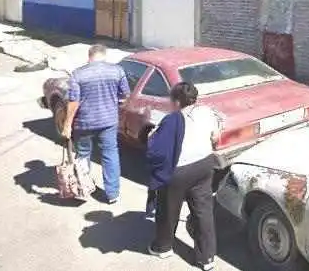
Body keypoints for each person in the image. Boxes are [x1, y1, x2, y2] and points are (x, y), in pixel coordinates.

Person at [146, 82, 222, 270]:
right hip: (205, 165)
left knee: (168, 209)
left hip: (179, 171)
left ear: (178, 102)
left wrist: (151, 136)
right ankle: (207, 258)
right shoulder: (206, 112)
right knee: (203, 211)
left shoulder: (172, 119)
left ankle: (163, 247)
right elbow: (215, 137)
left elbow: (156, 150)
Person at [61, 44, 129, 204]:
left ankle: (82, 188)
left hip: (84, 123)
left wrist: (67, 125)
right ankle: (113, 194)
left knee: (83, 154)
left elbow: (73, 101)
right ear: (104, 56)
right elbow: (125, 95)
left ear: (89, 57)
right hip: (108, 122)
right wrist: (115, 105)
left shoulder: (78, 74)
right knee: (110, 154)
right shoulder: (117, 71)